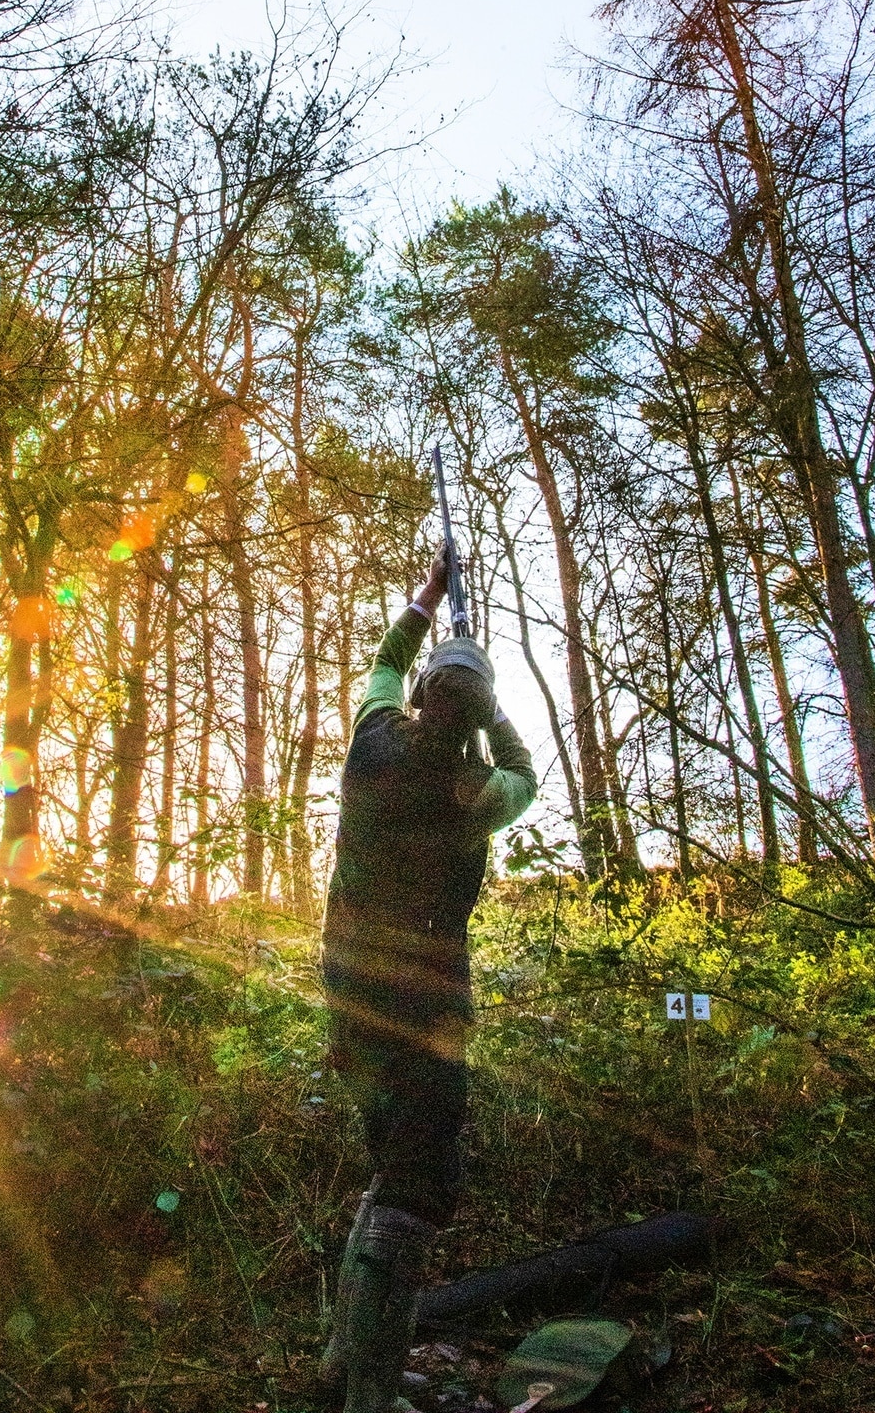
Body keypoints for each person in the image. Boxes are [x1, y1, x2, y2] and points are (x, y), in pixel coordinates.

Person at [319, 545, 537, 1413]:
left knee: (388, 1171)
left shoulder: (369, 747)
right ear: (477, 714)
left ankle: (347, 1367)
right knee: (416, 1186)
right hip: (426, 1013)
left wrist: (427, 598)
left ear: (416, 699)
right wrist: (491, 704)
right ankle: (368, 1392)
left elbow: (382, 664)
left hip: (348, 994)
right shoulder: (477, 788)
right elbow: (525, 769)